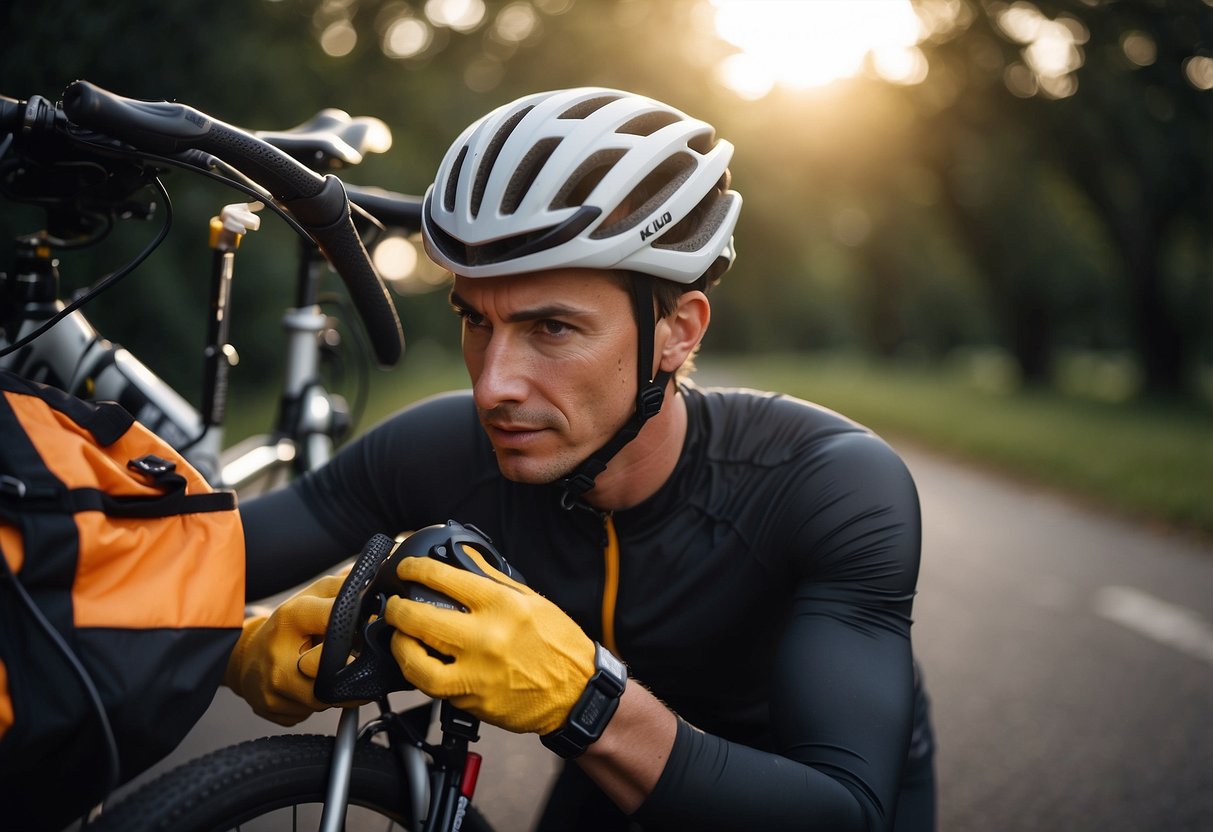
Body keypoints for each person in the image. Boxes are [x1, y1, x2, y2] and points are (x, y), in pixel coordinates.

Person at [224, 87, 936, 832]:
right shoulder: (438, 449)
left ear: (678, 332)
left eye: (553, 328)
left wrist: (582, 698)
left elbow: (843, 813)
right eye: (476, 321)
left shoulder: (832, 485)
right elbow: (184, 569)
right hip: (618, 768)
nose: (493, 385)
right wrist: (235, 644)